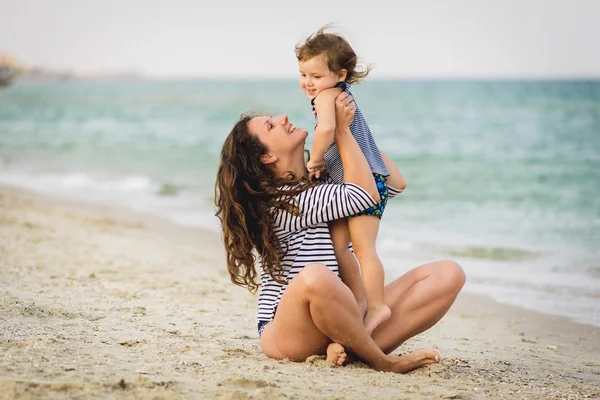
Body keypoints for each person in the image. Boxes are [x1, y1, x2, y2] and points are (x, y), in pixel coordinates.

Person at [214, 91, 466, 373]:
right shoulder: (280, 203)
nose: (282, 118)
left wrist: (352, 124)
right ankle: (382, 361)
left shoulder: (321, 183)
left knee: (448, 274)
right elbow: (365, 196)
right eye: (270, 126)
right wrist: (343, 132)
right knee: (314, 276)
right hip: (289, 328)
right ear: (267, 156)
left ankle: (348, 348)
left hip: (342, 316)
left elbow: (393, 183)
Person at [297, 26, 406, 333]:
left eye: (316, 76)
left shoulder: (326, 98)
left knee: (363, 250)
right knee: (339, 246)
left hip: (361, 184)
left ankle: (376, 306)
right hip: (359, 183)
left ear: (340, 75)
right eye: (303, 74)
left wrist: (315, 160)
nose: (308, 83)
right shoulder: (343, 95)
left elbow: (326, 130)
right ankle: (358, 302)